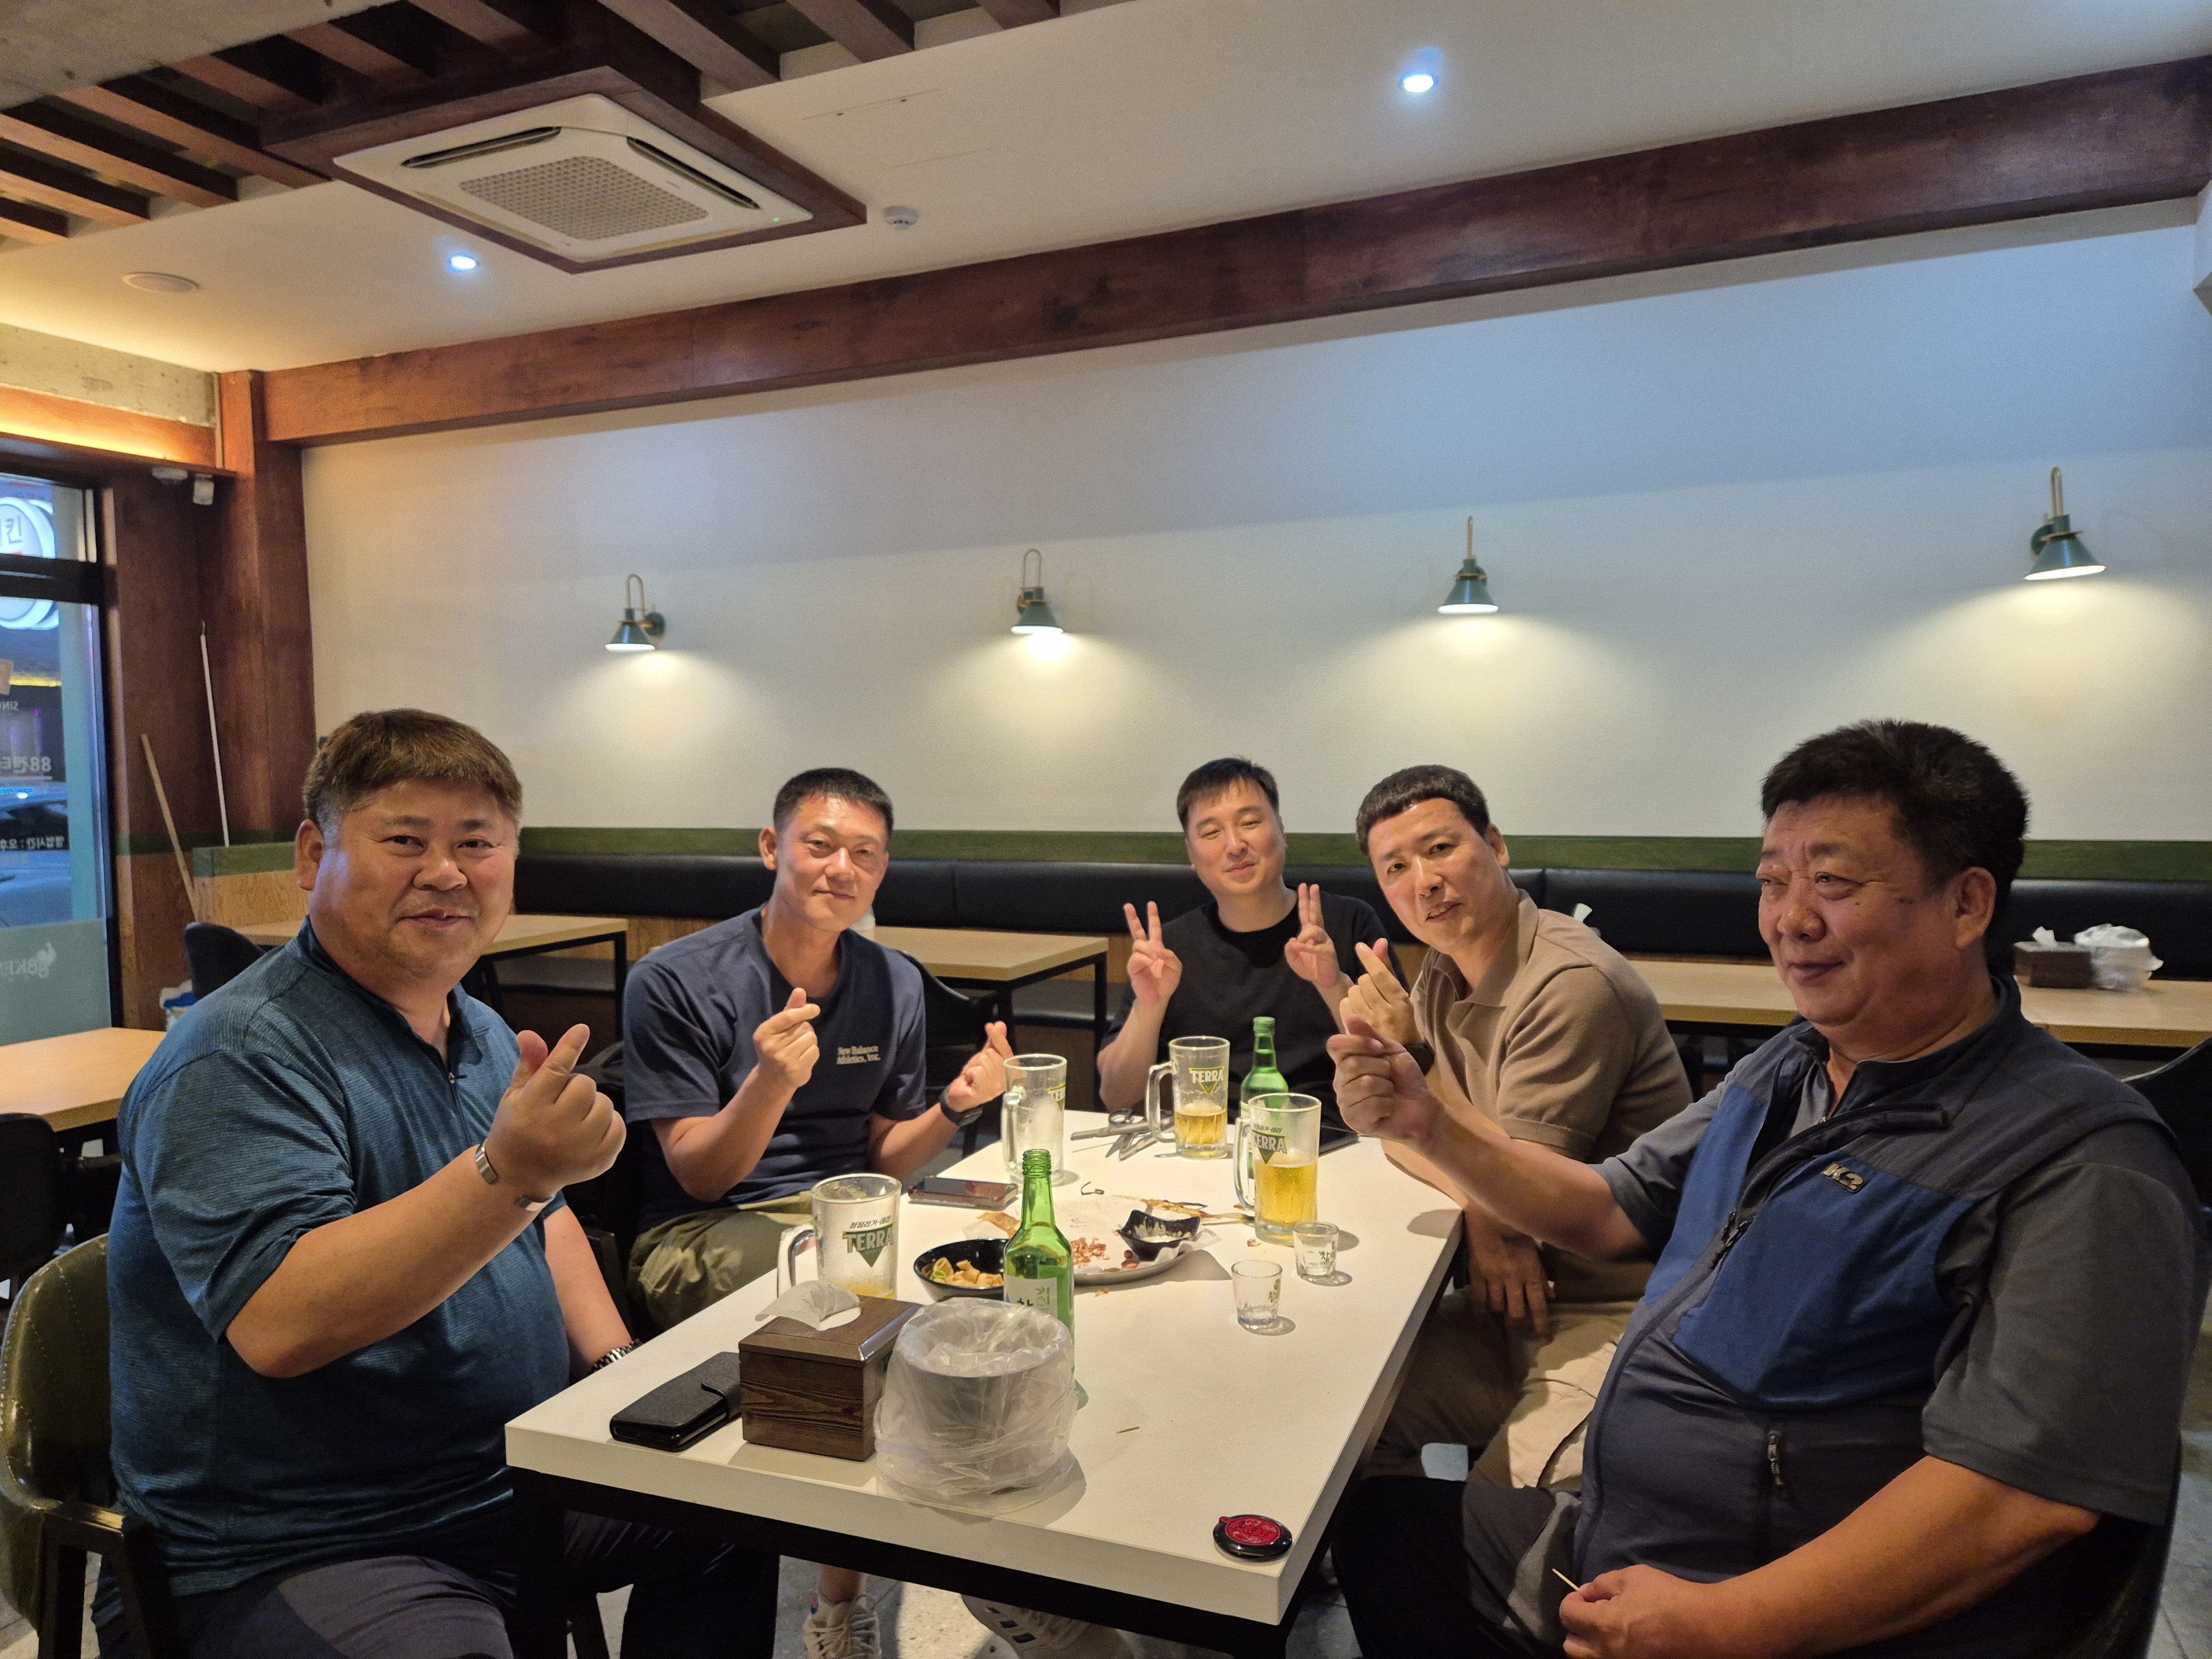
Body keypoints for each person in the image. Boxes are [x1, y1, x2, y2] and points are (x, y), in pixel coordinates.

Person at [1330, 719, 2209, 1659]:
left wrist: (1725, 1623)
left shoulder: (2080, 1162)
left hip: (1766, 1602)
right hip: (1629, 1528)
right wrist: (1431, 1126)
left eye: (1832, 882)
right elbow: (1607, 1208)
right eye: (1773, 882)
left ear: (1966, 904)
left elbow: (2021, 1498)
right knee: (1382, 1531)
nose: (1790, 919)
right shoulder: (1791, 1068)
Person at [104, 708, 776, 1659]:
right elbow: (282, 1323)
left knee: (743, 1509)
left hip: (507, 1480)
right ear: (313, 856)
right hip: (301, 1541)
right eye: (405, 841)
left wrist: (621, 1375)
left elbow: (544, 1221)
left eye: (477, 843)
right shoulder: (241, 1053)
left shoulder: (483, 1031)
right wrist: (511, 1173)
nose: (447, 872)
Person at [622, 765, 1010, 1659]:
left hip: (850, 1215)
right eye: (821, 845)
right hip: (702, 1232)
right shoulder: (676, 978)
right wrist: (770, 1081)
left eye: (865, 854)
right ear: (773, 848)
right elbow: (699, 1177)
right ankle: (844, 1607)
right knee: (860, 1324)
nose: (842, 868)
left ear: (883, 871)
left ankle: (955, 1566)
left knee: (993, 1287)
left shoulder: (894, 981)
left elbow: (884, 1157)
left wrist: (955, 1108)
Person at [1343, 765, 1690, 1491]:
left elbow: (1518, 1197)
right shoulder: (1443, 971)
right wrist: (1481, 1206)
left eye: (1440, 849)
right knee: (1339, 1419)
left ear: (1496, 846)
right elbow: (1404, 1139)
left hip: (1619, 1313)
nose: (1424, 882)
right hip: (1517, 1305)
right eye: (1396, 867)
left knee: (1505, 1516)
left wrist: (1487, 1200)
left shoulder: (1570, 983)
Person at [1094, 757, 1389, 1124]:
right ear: (1191, 854)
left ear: (1282, 830)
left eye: (1250, 823)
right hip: (1212, 1138)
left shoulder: (1349, 922)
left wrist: (1332, 985)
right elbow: (1116, 1096)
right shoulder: (1169, 949)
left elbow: (1397, 1060)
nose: (1235, 845)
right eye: (1211, 833)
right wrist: (1150, 1006)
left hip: (1333, 1135)